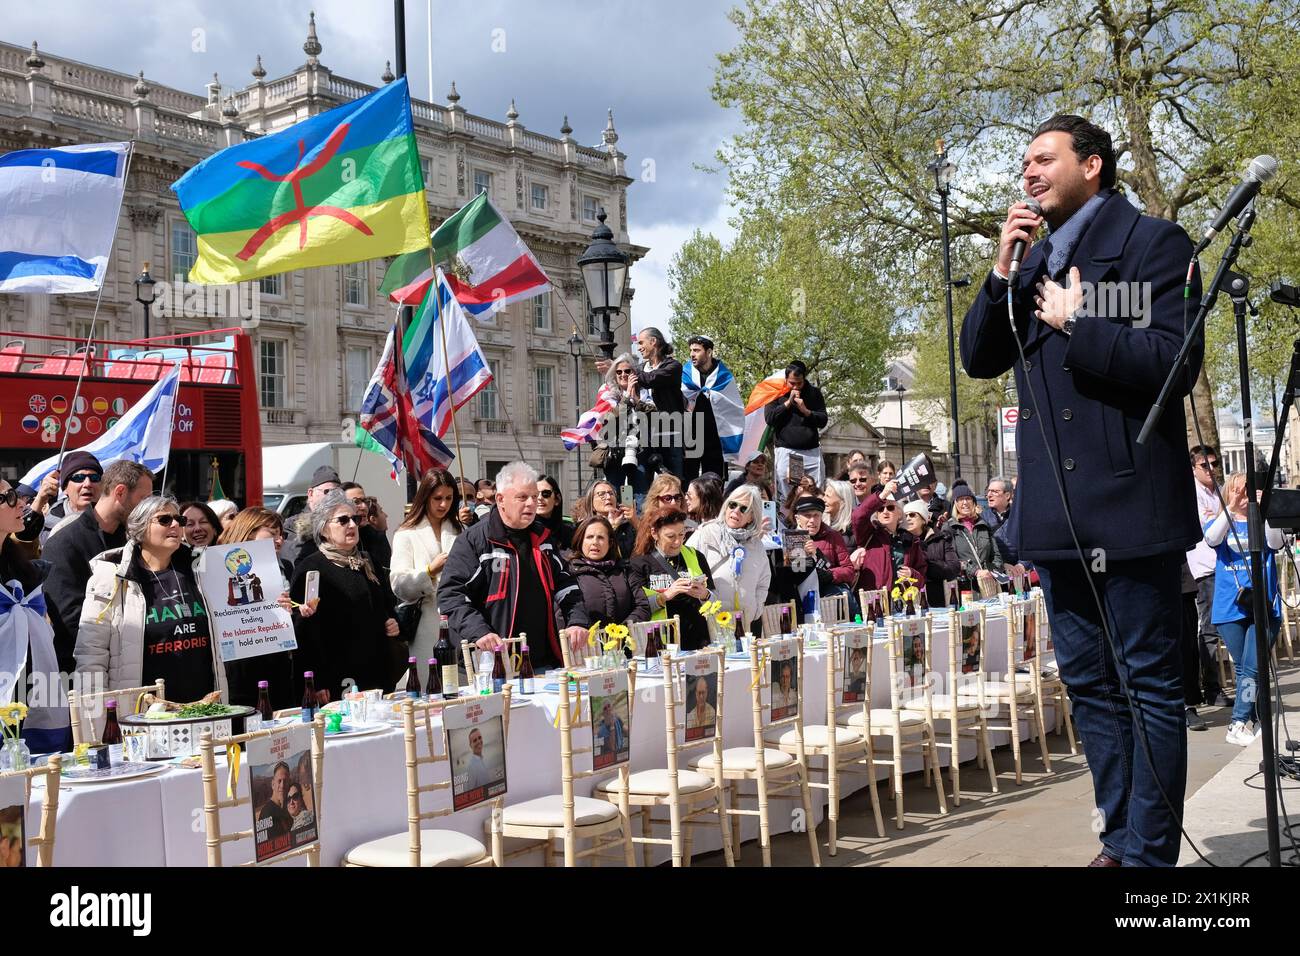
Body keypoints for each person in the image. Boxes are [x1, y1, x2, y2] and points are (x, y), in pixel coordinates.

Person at [960, 113, 1203, 867]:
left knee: (1151, 690)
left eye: (1043, 159)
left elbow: (1174, 362)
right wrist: (1003, 271)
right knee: (1093, 691)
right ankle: (1120, 837)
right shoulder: (1028, 262)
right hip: (1056, 521)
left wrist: (1080, 320)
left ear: (1092, 165)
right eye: (1023, 163)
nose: (1028, 174)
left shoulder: (1154, 245)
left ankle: (1151, 859)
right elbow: (977, 357)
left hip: (1132, 510)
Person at [437, 462, 590, 672]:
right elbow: (450, 595)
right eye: (522, 497)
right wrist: (479, 632)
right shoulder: (473, 540)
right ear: (500, 499)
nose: (531, 504)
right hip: (492, 664)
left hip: (542, 662)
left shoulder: (543, 537)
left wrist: (578, 621)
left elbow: (567, 584)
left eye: (535, 497)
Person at [76, 496, 227, 703]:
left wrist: (275, 603)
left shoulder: (201, 569)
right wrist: (98, 719)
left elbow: (240, 610)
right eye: (164, 520)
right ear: (139, 528)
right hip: (144, 714)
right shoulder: (110, 576)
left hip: (204, 706)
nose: (175, 524)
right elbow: (91, 655)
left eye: (179, 520)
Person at [45, 460, 154, 674]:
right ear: (120, 492)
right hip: (83, 673)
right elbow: (69, 620)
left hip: (136, 664)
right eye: (144, 499)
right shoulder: (64, 543)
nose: (148, 508)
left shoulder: (135, 539)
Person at [290, 491, 400, 701]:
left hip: (376, 670)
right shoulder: (311, 568)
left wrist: (391, 622)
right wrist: (316, 681)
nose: (351, 525)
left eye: (355, 519)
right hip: (336, 677)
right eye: (343, 520)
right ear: (323, 528)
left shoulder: (367, 562)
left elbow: (385, 605)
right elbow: (305, 631)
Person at [1205, 471, 1284, 746]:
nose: (1244, 496)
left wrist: (1265, 512)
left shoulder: (1261, 520)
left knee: (1252, 667)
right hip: (1231, 606)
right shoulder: (1221, 521)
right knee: (1246, 668)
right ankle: (1259, 721)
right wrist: (1230, 507)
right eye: (1240, 491)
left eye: (1248, 491)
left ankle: (1238, 722)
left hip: (1265, 606)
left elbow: (1276, 543)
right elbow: (1212, 539)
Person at [219, 508, 313, 711]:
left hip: (279, 662)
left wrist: (296, 611)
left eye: (282, 535)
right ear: (248, 532)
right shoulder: (220, 566)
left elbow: (289, 617)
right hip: (240, 665)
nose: (279, 540)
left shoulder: (285, 566)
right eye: (272, 534)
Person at [0, 477, 69, 752]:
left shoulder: (24, 567)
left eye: (16, 494)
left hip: (36, 696)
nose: (21, 503)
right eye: (8, 497)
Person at [388, 470, 462, 687]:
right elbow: (398, 584)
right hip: (424, 623)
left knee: (459, 689)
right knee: (428, 686)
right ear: (425, 497)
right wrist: (429, 571)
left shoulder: (459, 531)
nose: (443, 504)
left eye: (449, 498)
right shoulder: (406, 534)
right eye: (437, 498)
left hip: (457, 621)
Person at [687, 485, 770, 636]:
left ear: (751, 516)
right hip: (709, 622)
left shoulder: (756, 544)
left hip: (745, 624)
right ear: (726, 506)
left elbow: (763, 582)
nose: (736, 511)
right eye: (733, 504)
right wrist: (704, 600)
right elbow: (686, 565)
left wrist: (756, 608)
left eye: (744, 508)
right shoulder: (705, 533)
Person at [630, 509, 716, 649]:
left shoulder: (696, 556)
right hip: (660, 644)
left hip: (699, 640)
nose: (677, 542)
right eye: (670, 536)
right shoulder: (639, 563)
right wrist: (665, 596)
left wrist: (705, 594)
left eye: (682, 535)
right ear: (654, 533)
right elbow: (636, 609)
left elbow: (715, 599)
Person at [1186, 446, 1227, 712]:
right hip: (1204, 568)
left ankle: (1215, 684)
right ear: (1193, 468)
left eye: (1214, 464)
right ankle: (1211, 687)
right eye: (1205, 465)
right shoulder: (1194, 494)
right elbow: (1210, 528)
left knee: (1223, 626)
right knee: (1209, 628)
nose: (1211, 469)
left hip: (1222, 565)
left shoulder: (1218, 492)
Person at [567, 515, 650, 629]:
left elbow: (643, 606)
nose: (595, 542)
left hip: (625, 642)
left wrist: (622, 630)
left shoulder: (625, 569)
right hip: (587, 644)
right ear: (580, 540)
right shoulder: (569, 572)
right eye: (590, 537)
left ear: (610, 543)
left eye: (601, 537)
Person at [628, 327, 687, 481]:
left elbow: (651, 379)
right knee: (642, 484)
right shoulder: (640, 369)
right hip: (644, 435)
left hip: (669, 433)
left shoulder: (673, 367)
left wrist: (628, 369)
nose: (639, 347)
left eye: (641, 342)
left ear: (653, 342)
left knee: (673, 481)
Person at [764, 361, 828, 500]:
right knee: (791, 494)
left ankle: (814, 517)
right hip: (789, 451)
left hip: (811, 451)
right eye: (792, 383)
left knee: (815, 492)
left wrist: (806, 411)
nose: (796, 387)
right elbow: (769, 418)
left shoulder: (814, 393)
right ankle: (790, 519)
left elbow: (823, 420)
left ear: (804, 379)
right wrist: (787, 404)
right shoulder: (777, 394)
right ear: (786, 379)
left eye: (799, 383)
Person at [851, 478, 926, 592]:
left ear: (899, 514)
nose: (885, 511)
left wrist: (912, 574)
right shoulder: (868, 533)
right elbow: (858, 516)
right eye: (880, 509)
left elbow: (922, 577)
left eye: (890, 508)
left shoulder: (910, 540)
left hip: (903, 601)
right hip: (874, 600)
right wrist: (882, 495)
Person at [681, 335, 738, 482]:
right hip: (691, 435)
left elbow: (733, 407)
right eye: (691, 350)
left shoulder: (724, 377)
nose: (692, 354)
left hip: (715, 436)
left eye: (697, 350)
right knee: (688, 479)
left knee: (713, 481)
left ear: (709, 352)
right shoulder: (685, 374)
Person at [792, 496, 855, 608]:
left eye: (816, 515)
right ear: (797, 518)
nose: (812, 520)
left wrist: (830, 575)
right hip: (800, 597)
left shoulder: (833, 536)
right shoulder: (790, 538)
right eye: (807, 516)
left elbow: (849, 571)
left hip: (830, 598)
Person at [946, 480, 1009, 588]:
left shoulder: (983, 524)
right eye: (960, 499)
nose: (965, 502)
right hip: (965, 585)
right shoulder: (949, 528)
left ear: (974, 502)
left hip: (988, 585)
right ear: (954, 504)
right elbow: (952, 560)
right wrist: (975, 571)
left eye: (968, 498)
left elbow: (996, 555)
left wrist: (992, 572)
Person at [280, 466, 341, 568]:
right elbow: (295, 558)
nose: (332, 497)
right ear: (311, 494)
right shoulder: (293, 524)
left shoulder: (343, 521)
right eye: (327, 492)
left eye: (336, 493)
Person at [904, 499, 958, 608]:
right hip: (911, 602)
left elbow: (954, 568)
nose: (908, 518)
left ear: (924, 519)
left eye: (912, 515)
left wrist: (926, 566)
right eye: (905, 516)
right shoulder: (901, 542)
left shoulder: (941, 539)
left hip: (938, 600)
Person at [41, 450, 102, 541]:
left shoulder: (116, 523)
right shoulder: (48, 526)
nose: (87, 484)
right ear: (65, 488)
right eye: (79, 478)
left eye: (94, 478)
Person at [574, 480, 637, 560]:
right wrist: (612, 527)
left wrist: (635, 521)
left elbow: (648, 546)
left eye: (611, 493)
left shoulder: (627, 525)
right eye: (602, 494)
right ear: (591, 504)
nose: (608, 497)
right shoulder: (582, 528)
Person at [535, 475, 574, 553]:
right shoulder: (523, 531)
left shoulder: (570, 532)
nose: (539, 498)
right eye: (535, 494)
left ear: (557, 499)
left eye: (545, 493)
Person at [257, 761, 293, 841]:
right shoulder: (267, 812)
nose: (282, 785)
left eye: (285, 781)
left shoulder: (287, 807)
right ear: (273, 784)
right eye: (279, 781)